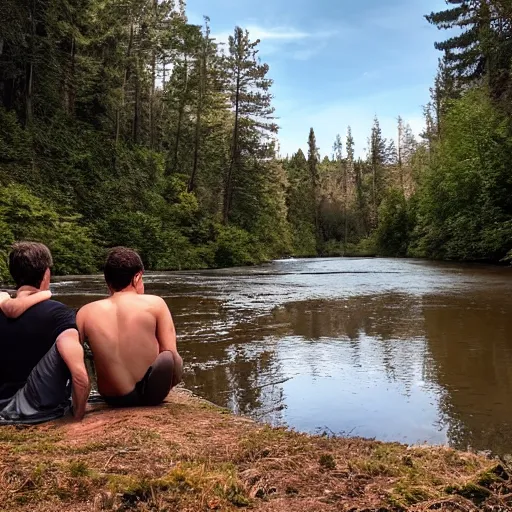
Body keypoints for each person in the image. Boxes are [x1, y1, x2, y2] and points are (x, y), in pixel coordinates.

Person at [76, 247, 183, 407]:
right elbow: (172, 357)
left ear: (107, 281)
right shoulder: (155, 303)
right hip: (150, 395)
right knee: (169, 357)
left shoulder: (85, 312)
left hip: (112, 398)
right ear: (137, 277)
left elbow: (75, 361)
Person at [0, 242, 90, 424]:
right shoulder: (59, 313)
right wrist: (78, 416)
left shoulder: (3, 304)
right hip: (36, 408)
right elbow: (80, 377)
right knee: (65, 339)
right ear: (46, 273)